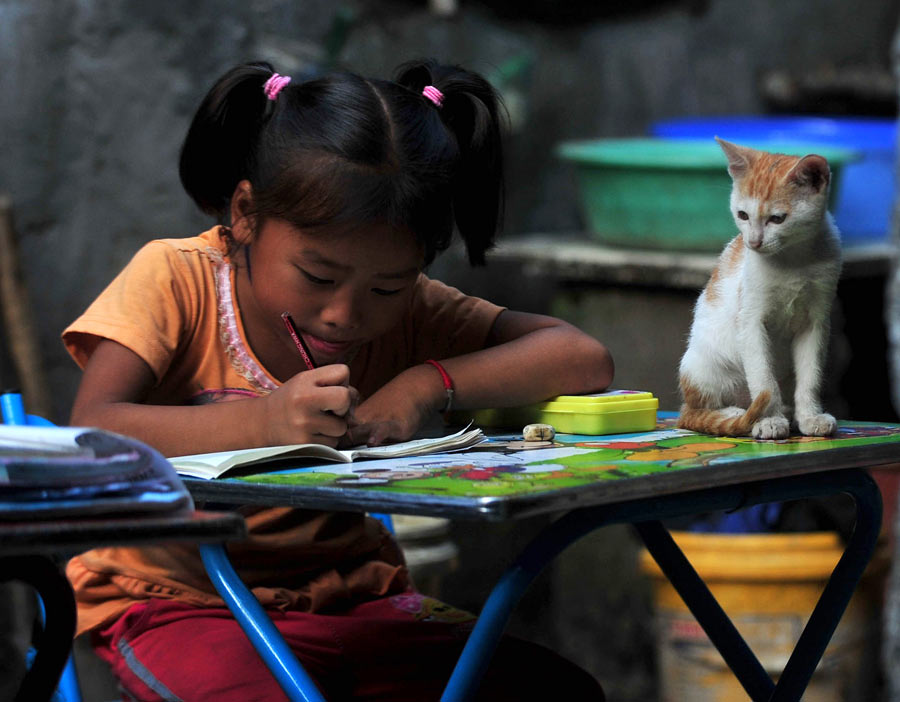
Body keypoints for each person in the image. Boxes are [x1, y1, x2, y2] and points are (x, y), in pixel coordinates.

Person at [62, 59, 613, 701]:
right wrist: (261, 422)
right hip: (181, 600)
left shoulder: (411, 314)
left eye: (386, 284)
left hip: (356, 598)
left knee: (556, 691)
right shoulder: (177, 281)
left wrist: (422, 385)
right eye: (318, 277)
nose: (346, 314)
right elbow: (92, 431)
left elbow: (580, 355)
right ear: (245, 213)